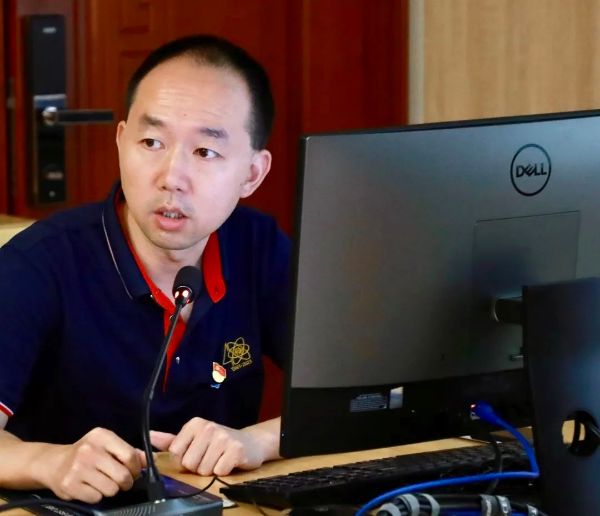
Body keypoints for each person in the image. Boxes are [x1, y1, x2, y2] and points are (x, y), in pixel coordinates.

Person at [0, 34, 290, 504]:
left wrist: (257, 441)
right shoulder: (38, 264)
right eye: (151, 142)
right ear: (121, 143)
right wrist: (48, 462)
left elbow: (365, 402)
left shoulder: (258, 246)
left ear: (252, 174)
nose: (171, 177)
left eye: (205, 152)